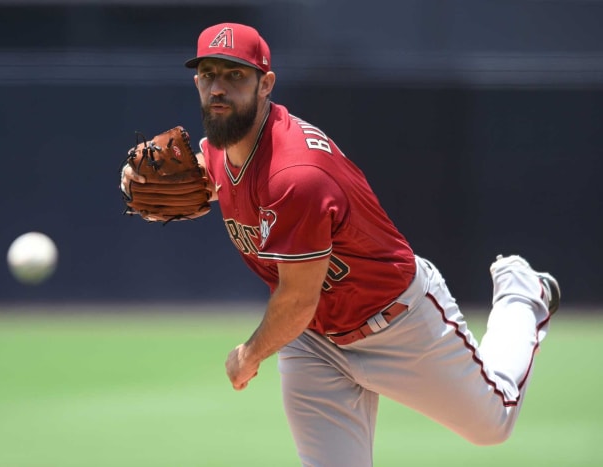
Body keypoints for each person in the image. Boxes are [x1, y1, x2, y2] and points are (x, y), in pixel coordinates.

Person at [121, 22, 561, 467]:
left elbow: (296, 299)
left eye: (235, 75)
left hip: (395, 322)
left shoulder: (296, 174)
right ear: (197, 82)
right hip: (313, 341)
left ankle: (521, 294)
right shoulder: (223, 147)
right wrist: (143, 178)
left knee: (492, 423)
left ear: (265, 84)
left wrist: (248, 355)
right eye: (209, 74)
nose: (219, 88)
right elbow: (211, 173)